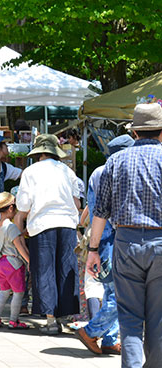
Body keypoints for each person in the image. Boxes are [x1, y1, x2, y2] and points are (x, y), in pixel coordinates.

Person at [89, 103, 162, 367]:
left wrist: (92, 250)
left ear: (135, 133)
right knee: (158, 319)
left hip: (126, 242)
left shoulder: (116, 161)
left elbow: (101, 211)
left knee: (129, 318)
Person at [14, 133, 81, 335]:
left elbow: (23, 206)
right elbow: (77, 203)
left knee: (44, 270)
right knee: (66, 269)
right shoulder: (67, 171)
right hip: (67, 224)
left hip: (42, 224)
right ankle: (65, 314)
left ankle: (51, 319)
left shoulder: (30, 171)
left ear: (38, 153)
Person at [75, 134, 131, 356]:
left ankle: (109, 339)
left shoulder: (98, 172)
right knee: (119, 295)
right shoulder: (116, 172)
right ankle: (91, 331)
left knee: (111, 291)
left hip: (101, 241)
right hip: (112, 239)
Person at [0, 191, 30, 329]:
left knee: (3, 292)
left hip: (1, 263)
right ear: (11, 208)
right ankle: (13, 320)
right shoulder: (10, 226)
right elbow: (19, 246)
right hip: (13, 264)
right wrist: (29, 261)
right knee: (18, 293)